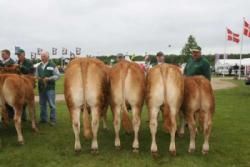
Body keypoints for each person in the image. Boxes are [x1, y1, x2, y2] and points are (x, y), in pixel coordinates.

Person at [36, 51, 60, 126]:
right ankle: (43, 119)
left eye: (44, 56)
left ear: (47, 57)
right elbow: (36, 75)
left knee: (52, 105)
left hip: (50, 88)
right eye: (41, 56)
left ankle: (53, 120)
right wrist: (38, 78)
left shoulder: (52, 65)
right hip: (41, 88)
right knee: (42, 104)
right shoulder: (38, 66)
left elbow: (58, 76)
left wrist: (49, 78)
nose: (42, 57)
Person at [16, 49, 34, 121]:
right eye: (17, 55)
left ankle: (27, 117)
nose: (18, 56)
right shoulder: (18, 62)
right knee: (20, 101)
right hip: (19, 83)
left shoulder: (29, 62)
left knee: (27, 101)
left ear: (23, 54)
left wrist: (21, 67)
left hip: (27, 84)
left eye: (19, 55)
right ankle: (23, 117)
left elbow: (31, 71)